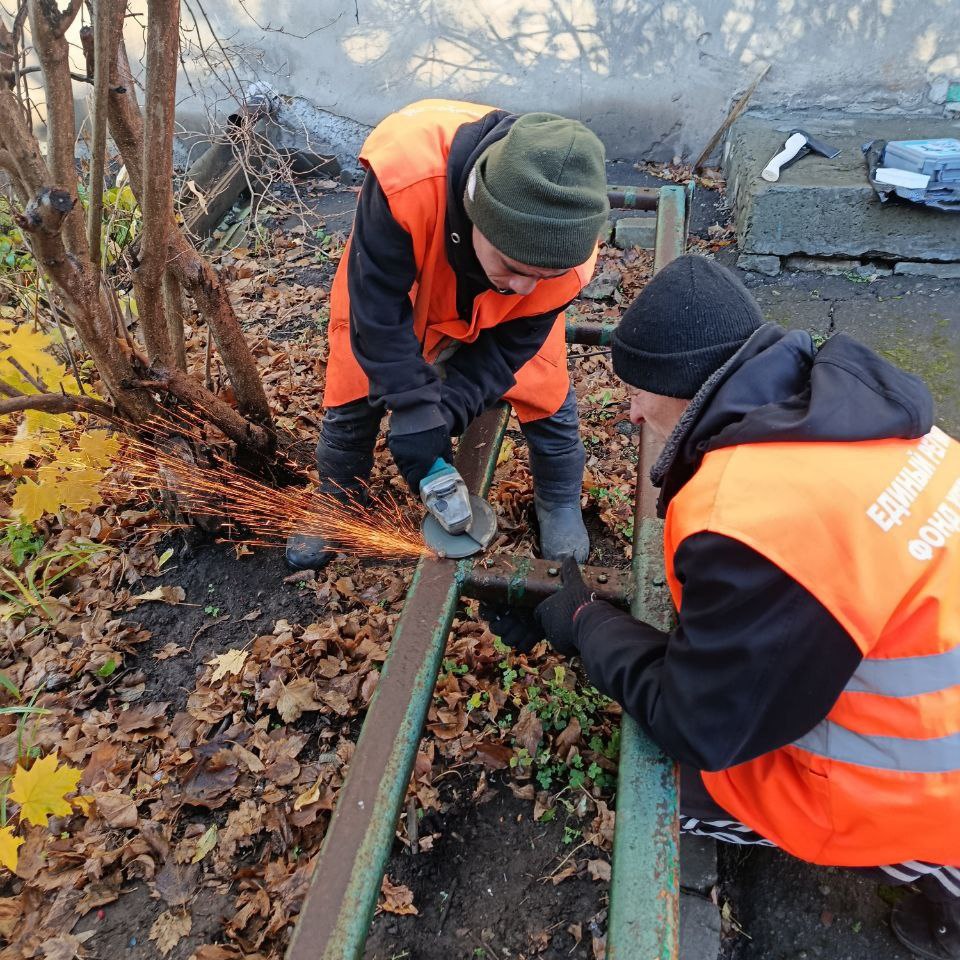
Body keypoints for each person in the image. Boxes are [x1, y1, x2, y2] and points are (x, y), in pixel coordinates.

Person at [484, 255, 960, 960]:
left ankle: (928, 851)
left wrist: (586, 625)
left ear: (686, 388)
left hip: (922, 779)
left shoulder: (752, 520)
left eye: (641, 393)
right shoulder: (862, 418)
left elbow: (699, 722)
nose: (635, 412)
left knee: (676, 786)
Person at [286, 99, 610, 570]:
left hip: (503, 316)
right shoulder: (406, 178)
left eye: (542, 276)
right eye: (515, 269)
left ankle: (559, 500)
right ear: (479, 215)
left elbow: (510, 348)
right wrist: (414, 406)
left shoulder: (568, 248)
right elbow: (376, 311)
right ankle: (337, 496)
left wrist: (448, 406)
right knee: (356, 385)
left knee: (546, 389)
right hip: (413, 280)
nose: (523, 288)